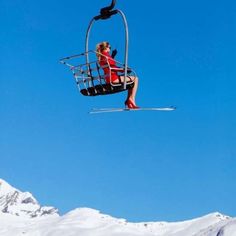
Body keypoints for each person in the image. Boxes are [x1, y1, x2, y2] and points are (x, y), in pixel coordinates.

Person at [96, 41, 139, 109]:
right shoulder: (106, 56)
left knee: (130, 80)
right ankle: (131, 99)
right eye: (110, 47)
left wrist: (113, 56)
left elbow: (109, 66)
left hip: (108, 79)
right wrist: (124, 69)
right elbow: (112, 68)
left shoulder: (102, 56)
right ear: (106, 48)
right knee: (135, 79)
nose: (110, 49)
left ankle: (129, 100)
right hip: (113, 79)